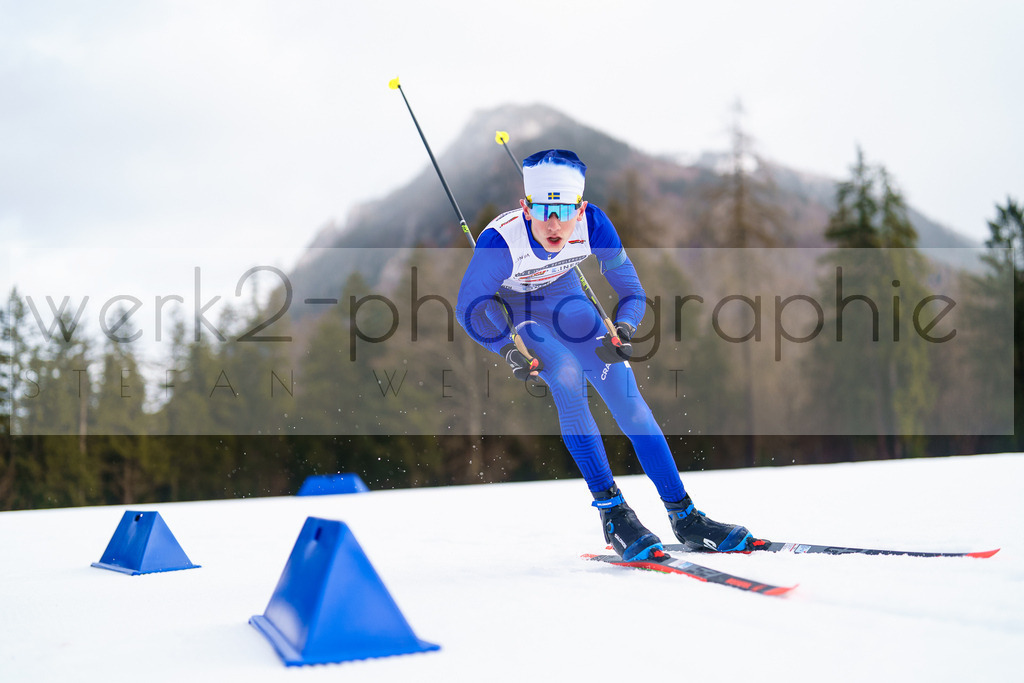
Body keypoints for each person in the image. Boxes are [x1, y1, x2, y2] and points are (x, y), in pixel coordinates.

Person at [455, 149, 756, 560]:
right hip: (525, 316)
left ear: (580, 208)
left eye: (565, 211)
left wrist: (625, 329)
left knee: (633, 408)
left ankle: (685, 516)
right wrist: (507, 348)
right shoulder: (499, 243)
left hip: (571, 305)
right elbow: (470, 309)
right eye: (544, 210)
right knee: (565, 376)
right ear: (527, 209)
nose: (555, 223)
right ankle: (613, 513)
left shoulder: (594, 223)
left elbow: (632, 292)